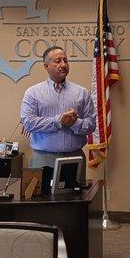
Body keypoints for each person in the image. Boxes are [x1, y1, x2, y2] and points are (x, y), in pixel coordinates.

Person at [20, 46, 96, 174]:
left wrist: (74, 123)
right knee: (40, 194)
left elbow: (91, 125)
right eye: (58, 61)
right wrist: (59, 121)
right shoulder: (33, 93)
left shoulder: (81, 93)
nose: (63, 64)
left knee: (77, 195)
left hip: (74, 158)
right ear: (46, 66)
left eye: (65, 60)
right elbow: (28, 123)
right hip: (43, 159)